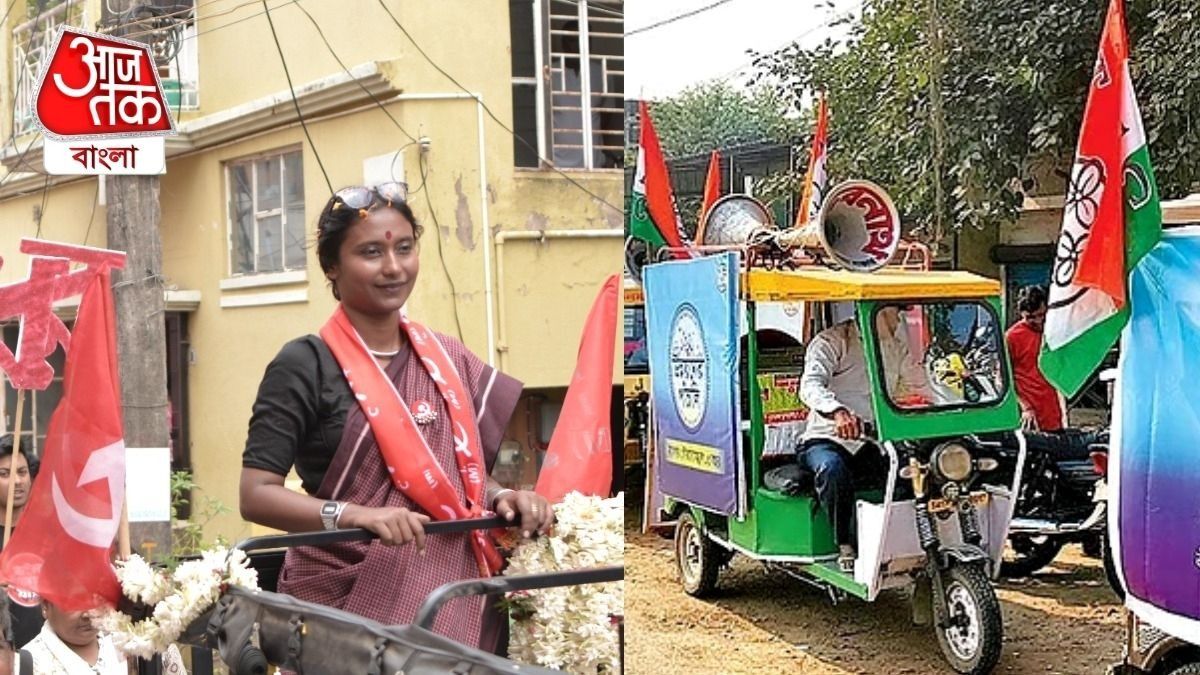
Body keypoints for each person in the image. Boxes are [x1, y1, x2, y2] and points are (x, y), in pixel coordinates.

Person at [239, 183, 554, 654]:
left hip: (455, 599)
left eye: (404, 248)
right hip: (345, 613)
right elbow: (255, 495)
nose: (393, 267)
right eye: (370, 252)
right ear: (332, 266)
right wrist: (357, 515)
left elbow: (458, 481)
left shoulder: (445, 358)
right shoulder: (304, 364)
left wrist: (506, 496)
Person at [798, 305, 932, 572]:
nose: (899, 319)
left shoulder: (896, 347)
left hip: (873, 441)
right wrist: (837, 412)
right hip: (826, 438)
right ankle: (844, 543)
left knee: (916, 471)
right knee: (831, 470)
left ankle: (910, 542)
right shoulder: (833, 341)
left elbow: (920, 384)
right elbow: (810, 384)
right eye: (894, 312)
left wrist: (953, 403)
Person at [1004, 285, 1064, 431]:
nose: (1038, 321)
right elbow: (1003, 380)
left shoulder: (1054, 332)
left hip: (1053, 415)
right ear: (1021, 314)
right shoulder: (1012, 337)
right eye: (1031, 317)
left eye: (1041, 315)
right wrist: (1025, 406)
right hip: (1027, 419)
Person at [0, 436, 40, 650]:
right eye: (4, 474)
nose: (17, 481)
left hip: (42, 660)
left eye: (22, 472)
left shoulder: (47, 536)